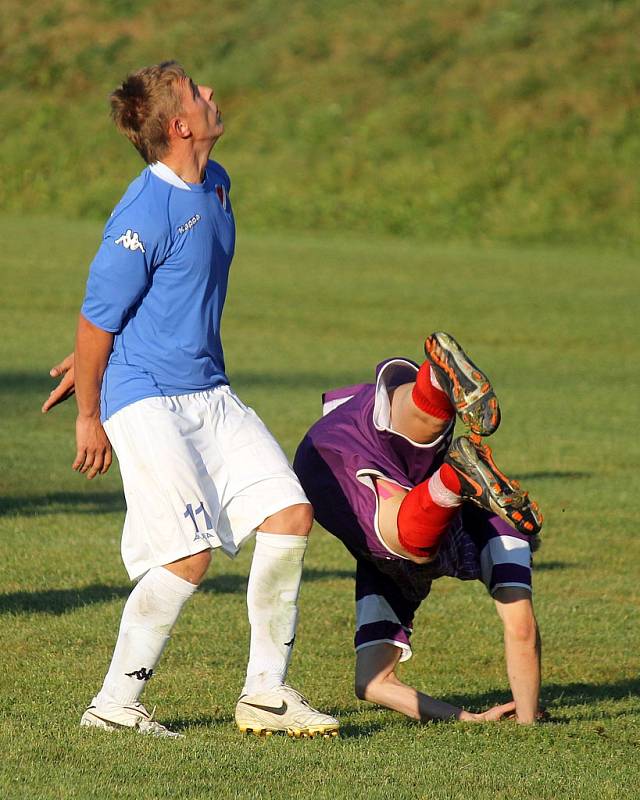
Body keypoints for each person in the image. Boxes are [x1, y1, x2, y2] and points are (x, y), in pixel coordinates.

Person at [43, 61, 339, 739]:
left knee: (290, 514)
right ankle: (114, 707)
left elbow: (143, 306)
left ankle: (266, 694)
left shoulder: (218, 183)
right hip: (144, 398)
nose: (212, 95)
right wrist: (91, 412)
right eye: (198, 94)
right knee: (186, 556)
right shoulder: (143, 211)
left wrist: (97, 349)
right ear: (180, 126)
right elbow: (97, 317)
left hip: (208, 389)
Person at [293, 332, 544, 724]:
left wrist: (469, 718)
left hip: (348, 424)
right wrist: (527, 720)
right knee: (407, 541)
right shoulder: (505, 535)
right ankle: (448, 482)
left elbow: (372, 684)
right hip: (333, 474)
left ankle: (436, 382)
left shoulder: (507, 533)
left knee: (423, 432)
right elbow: (521, 629)